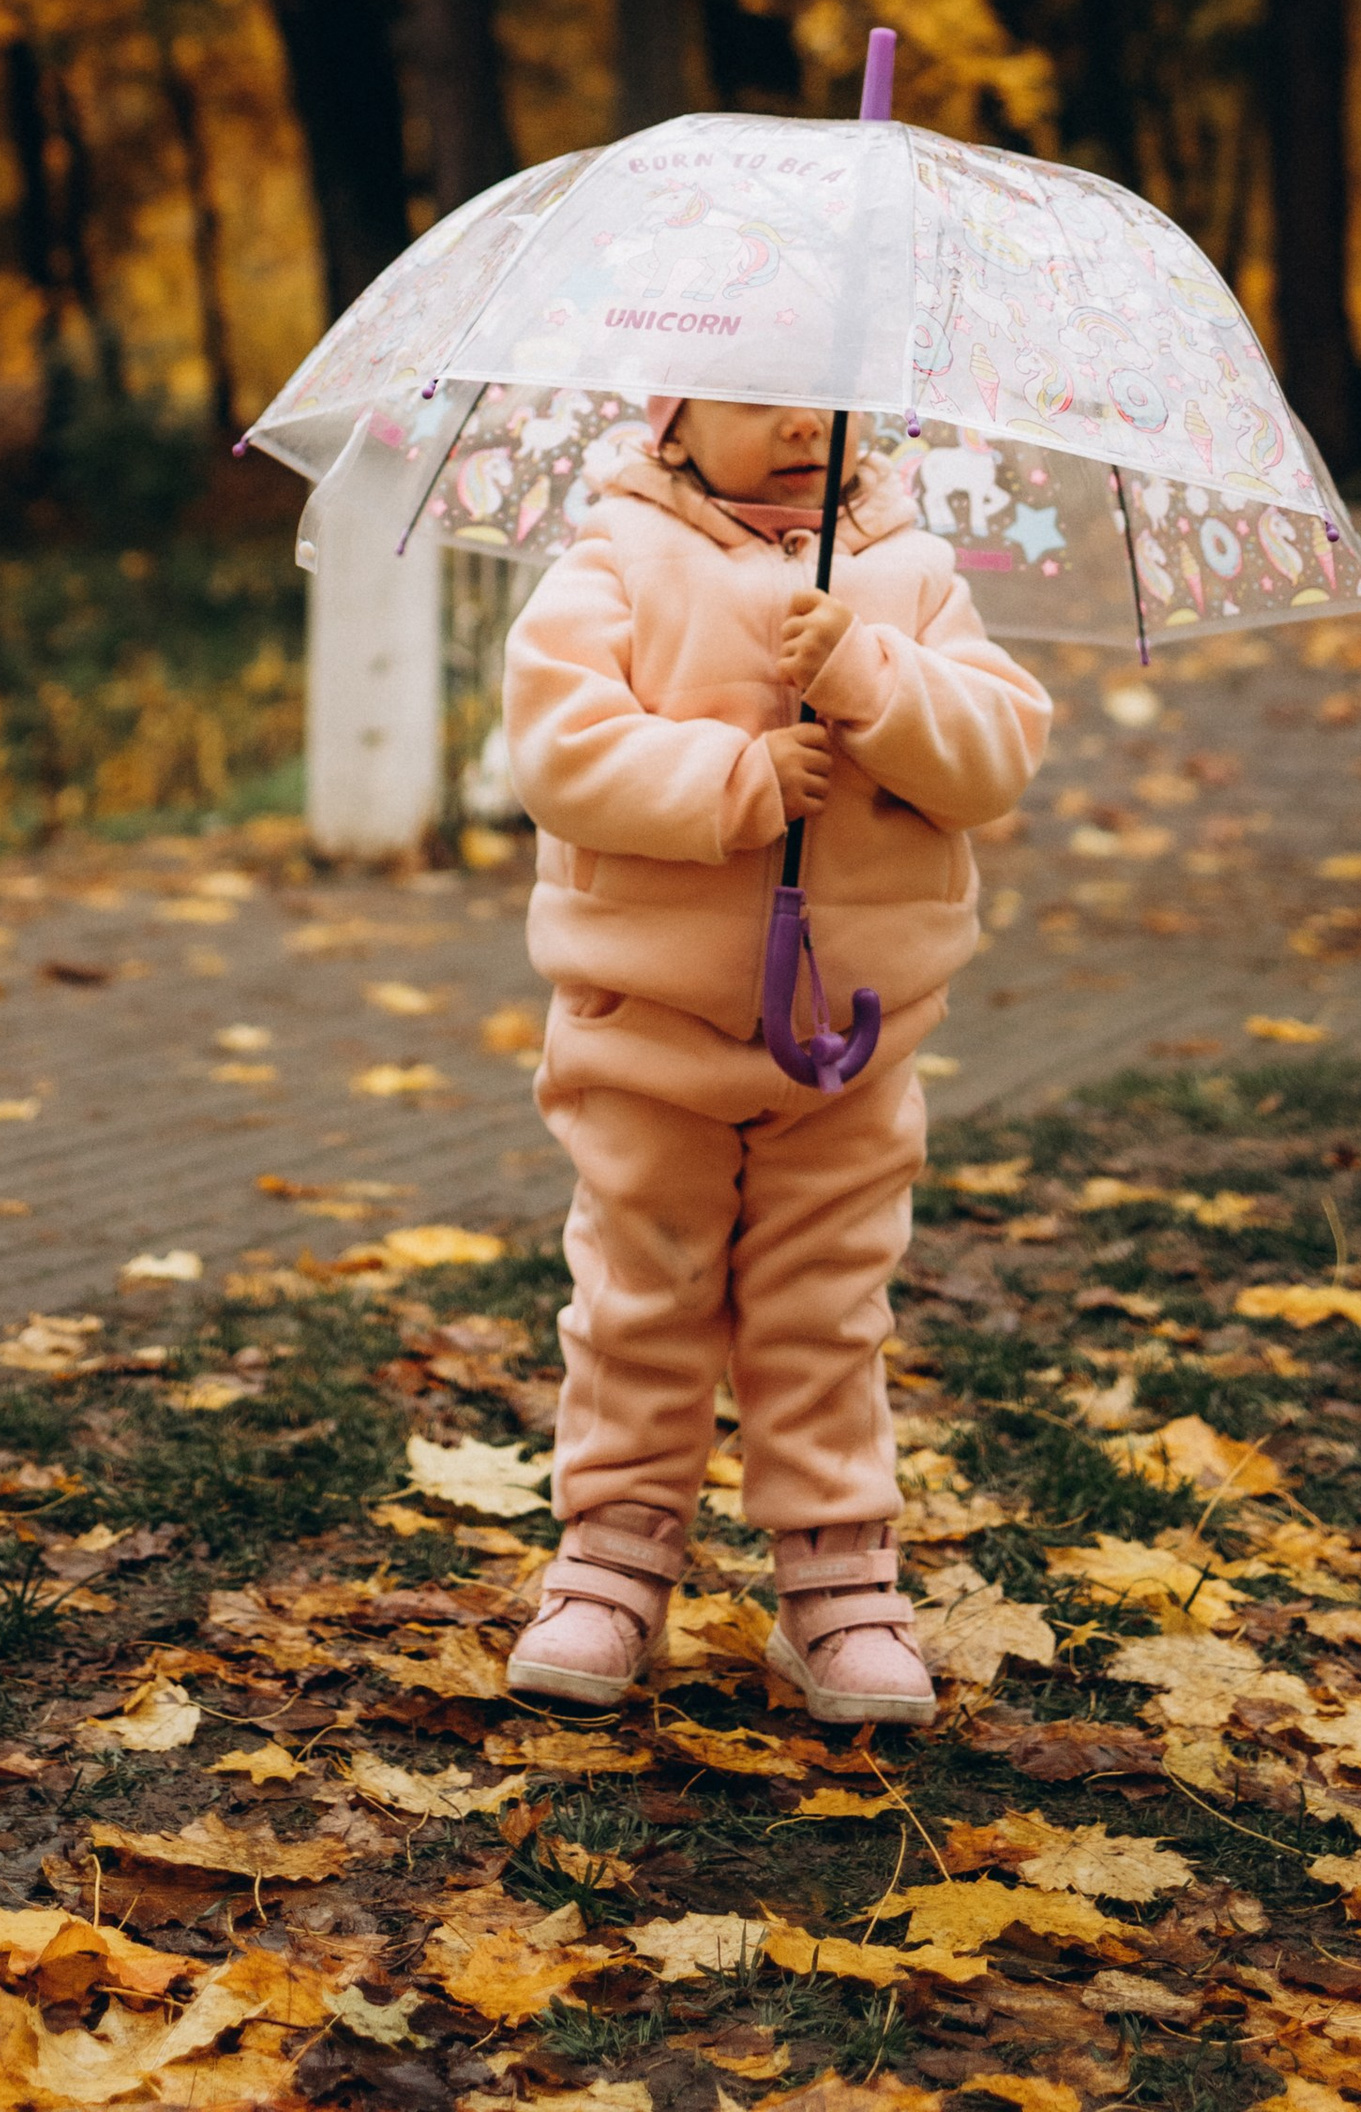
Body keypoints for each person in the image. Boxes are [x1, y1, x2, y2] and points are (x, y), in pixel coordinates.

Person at [498, 392, 1051, 1724]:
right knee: (643, 1297)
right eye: (762, 397)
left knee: (824, 1312)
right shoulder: (616, 559)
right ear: (677, 415)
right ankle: (613, 1564)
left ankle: (838, 1582)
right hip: (652, 1032)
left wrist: (871, 676)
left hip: (847, 1048)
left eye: (828, 399)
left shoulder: (909, 576)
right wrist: (738, 782)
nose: (805, 425)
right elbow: (561, 752)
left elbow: (993, 760)